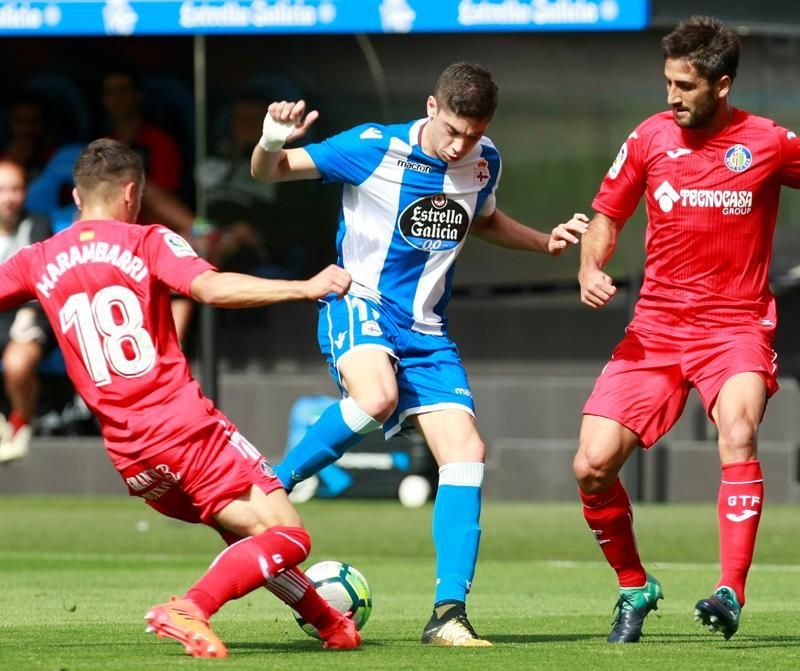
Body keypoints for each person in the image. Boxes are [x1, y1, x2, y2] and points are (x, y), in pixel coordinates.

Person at [251, 62, 588, 646]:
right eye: (453, 130)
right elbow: (270, 171)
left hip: (427, 331)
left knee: (466, 453)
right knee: (376, 396)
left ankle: (448, 614)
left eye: (474, 134)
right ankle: (267, 488)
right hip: (358, 301)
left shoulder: (485, 161)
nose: (460, 145)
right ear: (431, 108)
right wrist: (271, 139)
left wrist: (544, 242)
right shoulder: (372, 147)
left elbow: (483, 220)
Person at [0, 138, 359, 658]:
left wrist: (327, 620)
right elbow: (210, 289)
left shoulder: (38, 258)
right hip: (184, 430)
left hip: (133, 458)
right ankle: (191, 607)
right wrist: (305, 287)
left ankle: (329, 622)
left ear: (77, 198)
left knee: (247, 531)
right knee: (289, 535)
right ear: (132, 193)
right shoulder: (147, 241)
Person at [573, 15, 800, 644]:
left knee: (739, 433)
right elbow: (606, 215)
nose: (671, 96)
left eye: (685, 86)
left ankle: (730, 591)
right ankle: (633, 585)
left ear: (721, 85)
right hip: (656, 330)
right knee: (591, 466)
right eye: (668, 83)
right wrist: (590, 266)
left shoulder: (768, 142)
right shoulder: (649, 136)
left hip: (736, 328)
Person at [102, 68, 196, 342]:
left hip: (155, 237)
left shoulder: (159, 142)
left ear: (137, 96)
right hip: (112, 243)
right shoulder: (101, 147)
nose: (117, 98)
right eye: (110, 92)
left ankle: (201, 226)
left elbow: (161, 196)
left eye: (123, 90)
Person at [0, 160, 54, 463]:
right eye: (2, 190)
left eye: (16, 189)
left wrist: (29, 312)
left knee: (17, 364)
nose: (9, 197)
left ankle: (21, 422)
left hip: (30, 314)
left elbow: (45, 282)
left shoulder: (38, 224)